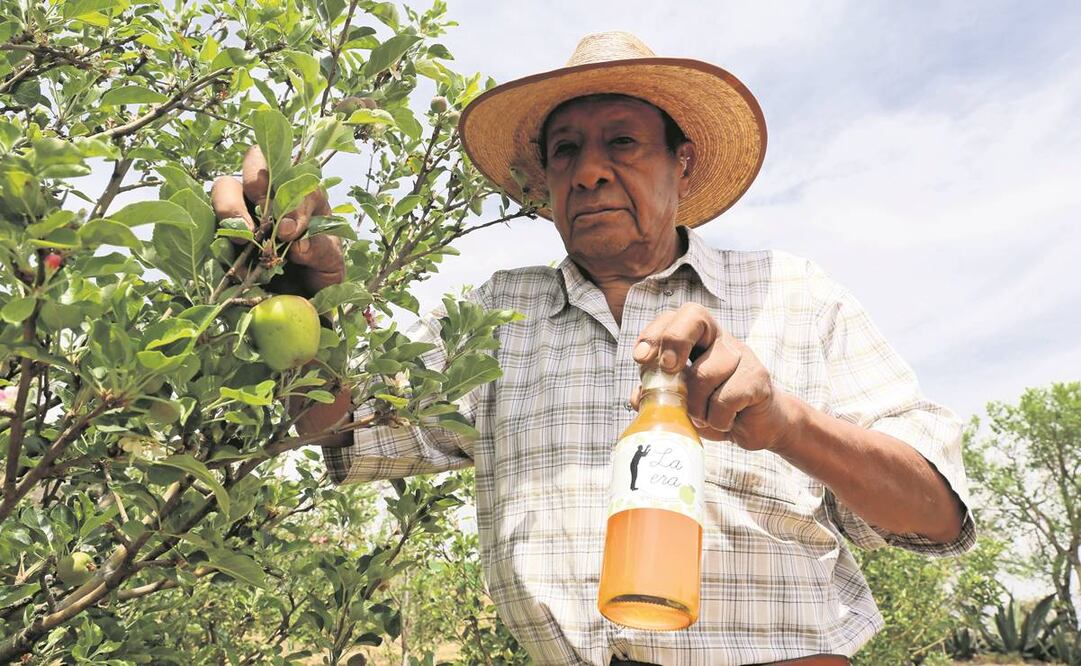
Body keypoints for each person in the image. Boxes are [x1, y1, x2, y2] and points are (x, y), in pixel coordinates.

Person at [211, 31, 975, 666]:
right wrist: (307, 299)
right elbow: (340, 426)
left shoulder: (793, 295)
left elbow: (936, 516)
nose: (590, 170)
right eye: (565, 150)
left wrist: (783, 423)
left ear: (682, 165)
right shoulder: (493, 318)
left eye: (622, 143)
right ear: (543, 185)